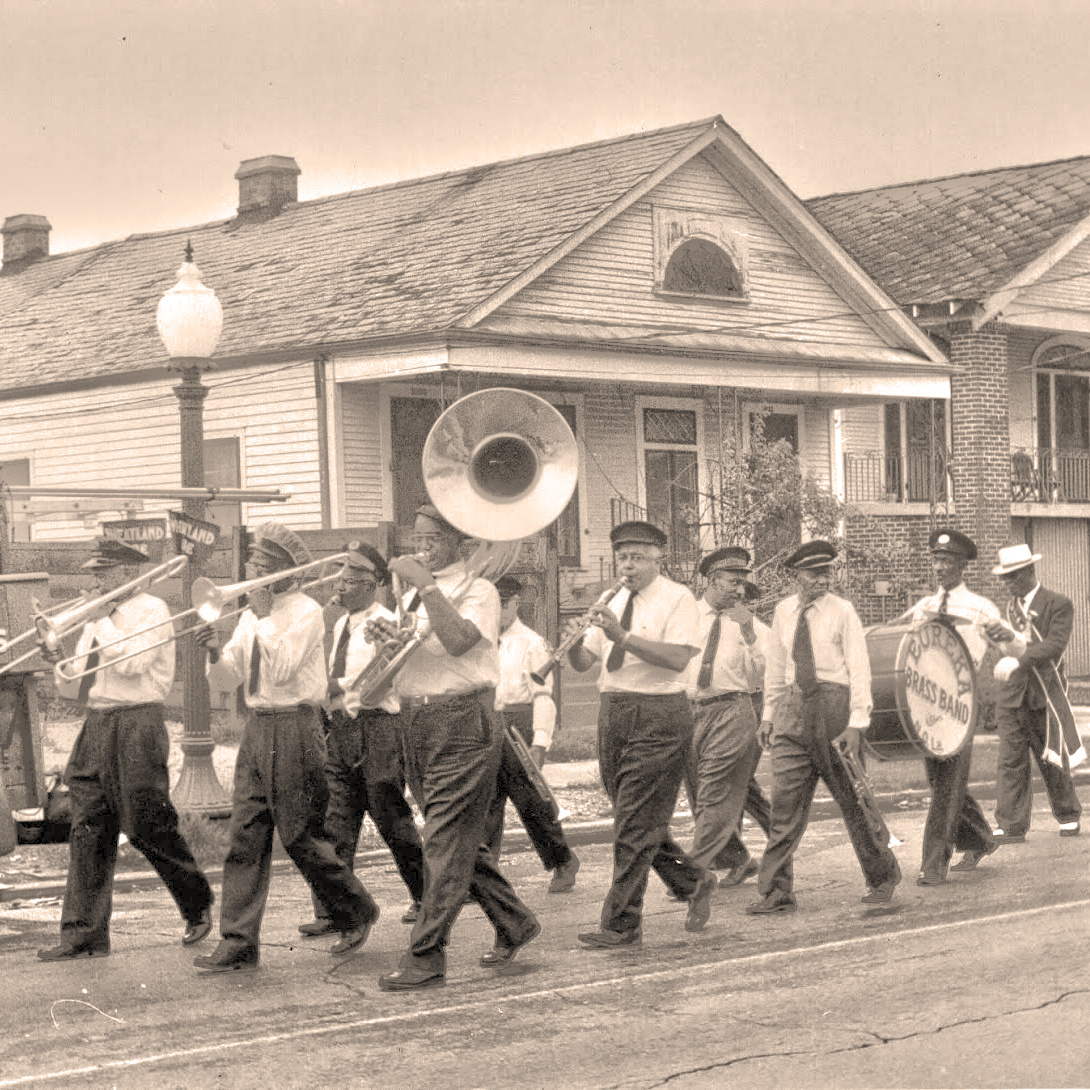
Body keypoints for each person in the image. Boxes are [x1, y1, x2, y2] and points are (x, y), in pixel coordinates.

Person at [194, 522, 380, 973]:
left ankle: (356, 909)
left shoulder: (304, 612)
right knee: (246, 834)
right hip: (258, 729)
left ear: (282, 572)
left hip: (296, 726)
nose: (250, 571)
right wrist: (215, 652)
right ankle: (238, 941)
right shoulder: (252, 615)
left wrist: (261, 618)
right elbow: (228, 682)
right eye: (251, 563)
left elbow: (281, 670)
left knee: (299, 835)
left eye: (259, 565)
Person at [369, 504, 540, 992]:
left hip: (463, 719)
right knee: (456, 837)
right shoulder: (417, 597)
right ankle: (514, 921)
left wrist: (425, 584)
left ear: (460, 545)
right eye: (417, 534)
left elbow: (461, 641)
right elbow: (416, 656)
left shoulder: (479, 590)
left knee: (444, 839)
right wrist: (388, 640)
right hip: (417, 721)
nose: (422, 544)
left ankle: (426, 956)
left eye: (433, 538)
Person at [37, 538, 214, 961]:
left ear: (128, 574)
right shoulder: (101, 617)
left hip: (138, 723)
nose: (96, 581)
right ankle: (83, 935)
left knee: (146, 822)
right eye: (95, 573)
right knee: (88, 828)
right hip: (98, 723)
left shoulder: (152, 609)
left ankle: (197, 903)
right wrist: (56, 652)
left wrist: (105, 620)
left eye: (103, 573)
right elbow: (78, 680)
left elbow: (134, 664)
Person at [565, 521, 716, 948]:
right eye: (623, 557)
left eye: (637, 557)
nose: (627, 565)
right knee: (636, 818)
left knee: (633, 822)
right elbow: (584, 662)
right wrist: (574, 642)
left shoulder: (679, 598)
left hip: (660, 713)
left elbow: (676, 660)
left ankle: (621, 922)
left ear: (658, 557)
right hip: (613, 711)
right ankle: (692, 881)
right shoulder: (611, 599)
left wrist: (622, 635)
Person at [747, 540, 901, 915]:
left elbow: (860, 669)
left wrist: (856, 723)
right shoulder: (784, 612)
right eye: (815, 573)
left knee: (853, 800)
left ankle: (882, 877)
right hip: (792, 711)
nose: (823, 579)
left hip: (834, 709)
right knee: (784, 805)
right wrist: (768, 716)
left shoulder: (843, 612)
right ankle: (776, 891)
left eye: (828, 571)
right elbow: (776, 670)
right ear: (796, 575)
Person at [296, 542, 425, 939]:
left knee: (391, 820)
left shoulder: (387, 621)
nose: (343, 585)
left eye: (353, 578)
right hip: (342, 730)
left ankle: (426, 897)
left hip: (380, 729)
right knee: (336, 822)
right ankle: (337, 909)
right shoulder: (338, 624)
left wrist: (335, 685)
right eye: (343, 576)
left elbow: (382, 678)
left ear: (373, 584)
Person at [901, 529, 1000, 882]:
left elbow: (1012, 644)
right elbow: (903, 639)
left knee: (947, 784)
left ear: (961, 566)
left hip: (961, 702)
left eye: (946, 561)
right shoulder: (924, 606)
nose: (939, 567)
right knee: (941, 780)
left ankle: (933, 864)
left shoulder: (981, 608)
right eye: (936, 560)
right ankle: (982, 838)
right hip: (929, 701)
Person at [681, 547, 770, 888]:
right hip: (690, 712)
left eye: (742, 584)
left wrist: (749, 636)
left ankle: (695, 869)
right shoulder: (684, 616)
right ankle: (739, 859)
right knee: (701, 793)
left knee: (712, 792)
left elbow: (762, 675)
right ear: (712, 580)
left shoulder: (749, 623)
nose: (738, 590)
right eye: (733, 582)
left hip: (732, 710)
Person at [486, 574, 580, 893]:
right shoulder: (479, 642)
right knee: (485, 803)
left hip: (518, 725)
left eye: (503, 604)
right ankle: (486, 878)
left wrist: (539, 743)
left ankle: (563, 860)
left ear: (515, 603)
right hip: (485, 724)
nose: (497, 611)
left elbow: (543, 696)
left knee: (531, 803)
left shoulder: (532, 643)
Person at [984, 543, 1083, 842]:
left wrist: (1019, 659)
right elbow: (1006, 646)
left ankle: (1068, 814)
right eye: (1005, 578)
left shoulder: (1058, 603)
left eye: (1013, 576)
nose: (1008, 583)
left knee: (1051, 756)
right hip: (1013, 695)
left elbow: (1054, 645)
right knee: (1010, 760)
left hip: (1044, 694)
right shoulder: (1010, 610)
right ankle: (1011, 824)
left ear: (1029, 572)